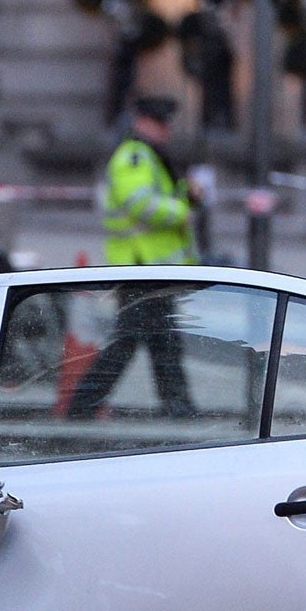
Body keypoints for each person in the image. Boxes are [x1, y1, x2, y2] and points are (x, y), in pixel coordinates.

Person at [69, 94, 200, 420]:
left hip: (150, 270)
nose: (165, 131)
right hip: (141, 267)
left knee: (160, 343)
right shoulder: (135, 157)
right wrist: (182, 210)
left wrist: (188, 195)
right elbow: (140, 203)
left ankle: (179, 408)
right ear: (142, 122)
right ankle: (83, 406)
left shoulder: (148, 157)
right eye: (160, 123)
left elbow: (154, 197)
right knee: (136, 343)